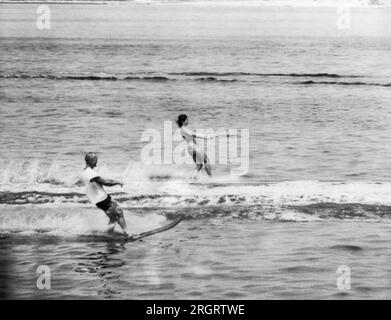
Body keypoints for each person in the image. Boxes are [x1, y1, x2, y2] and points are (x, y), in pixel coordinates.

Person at [80, 152, 128, 235]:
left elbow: (100, 180)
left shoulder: (85, 171)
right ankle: (127, 233)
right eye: (95, 160)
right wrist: (117, 182)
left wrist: (111, 180)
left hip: (98, 198)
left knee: (115, 215)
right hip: (101, 198)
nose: (96, 162)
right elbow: (106, 183)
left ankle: (110, 234)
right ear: (91, 161)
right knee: (117, 214)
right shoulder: (90, 172)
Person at [176, 114, 213, 179]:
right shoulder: (183, 129)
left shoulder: (182, 129)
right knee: (206, 161)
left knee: (199, 165)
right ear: (183, 121)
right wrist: (205, 137)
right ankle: (211, 178)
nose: (188, 121)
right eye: (187, 120)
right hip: (194, 147)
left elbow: (191, 135)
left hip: (190, 148)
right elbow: (193, 134)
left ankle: (193, 177)